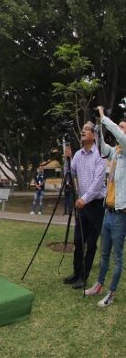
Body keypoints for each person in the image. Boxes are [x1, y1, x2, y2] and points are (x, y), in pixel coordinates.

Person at [84, 107, 126, 307]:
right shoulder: (116, 152)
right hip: (108, 211)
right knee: (104, 253)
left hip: (120, 214)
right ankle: (99, 285)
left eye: (123, 128)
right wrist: (99, 127)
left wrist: (104, 117)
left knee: (118, 258)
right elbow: (102, 149)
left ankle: (111, 292)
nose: (120, 129)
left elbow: (118, 134)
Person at [63, 121, 106, 289]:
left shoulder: (100, 155)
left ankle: (84, 276)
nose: (82, 132)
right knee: (78, 241)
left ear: (94, 135)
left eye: (86, 130)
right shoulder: (78, 155)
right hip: (82, 205)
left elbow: (97, 183)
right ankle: (76, 272)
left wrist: (84, 198)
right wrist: (67, 158)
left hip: (95, 205)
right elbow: (70, 173)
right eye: (82, 130)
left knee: (91, 243)